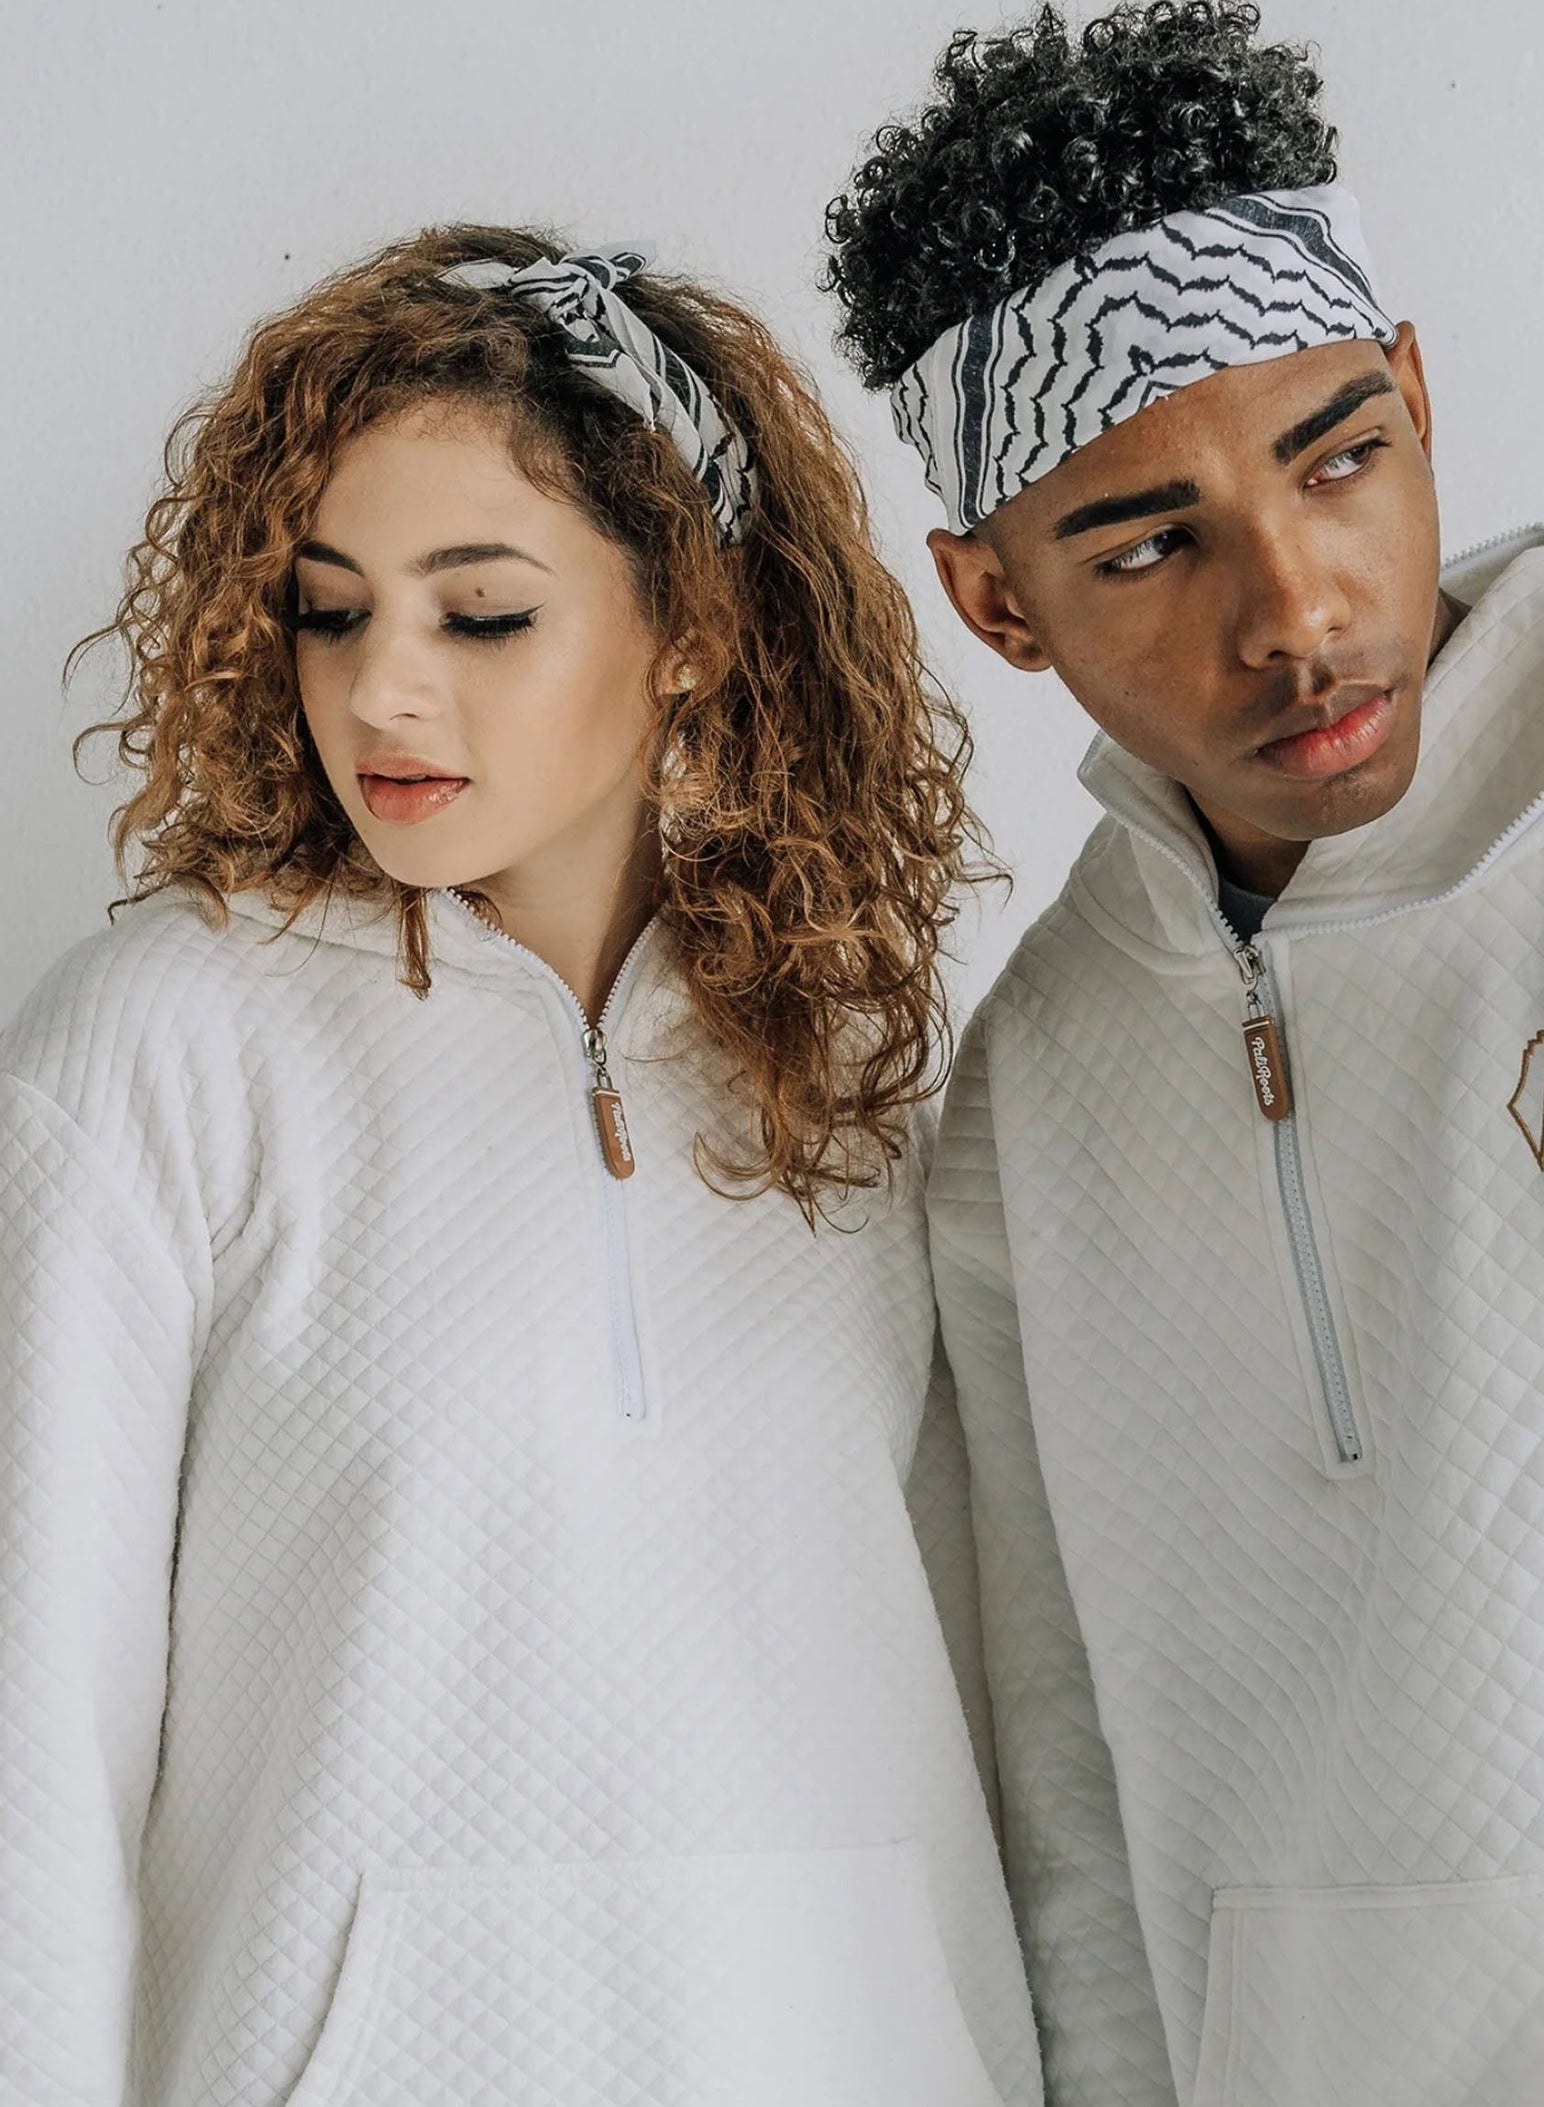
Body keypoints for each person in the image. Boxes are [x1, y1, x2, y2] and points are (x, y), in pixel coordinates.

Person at [825, 6, 1544, 2104]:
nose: (1292, 606)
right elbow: (1067, 1797)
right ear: (992, 601)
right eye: (1145, 544)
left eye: (1337, 457)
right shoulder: (1031, 1088)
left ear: (1418, 398)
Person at [0, 225, 1042, 2107]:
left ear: (691, 629)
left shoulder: (860, 1073)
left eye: (479, 616)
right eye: (329, 611)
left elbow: (998, 1688)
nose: (380, 691)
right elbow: (29, 1746)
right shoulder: (163, 1045)